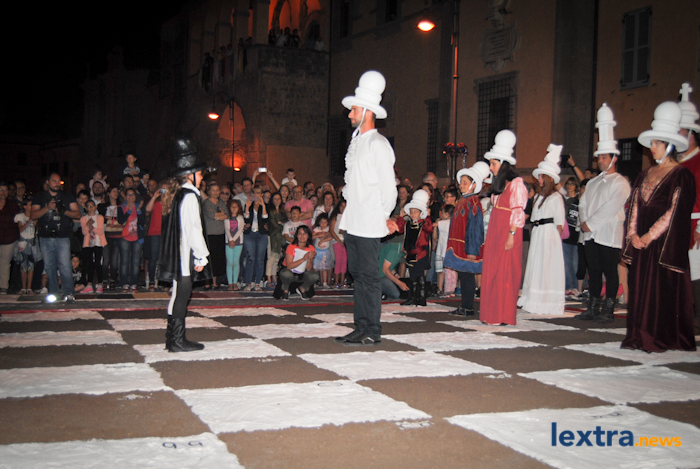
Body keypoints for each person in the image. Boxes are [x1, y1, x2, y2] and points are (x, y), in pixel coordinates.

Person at [621, 101, 696, 352]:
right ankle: (638, 334)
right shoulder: (644, 174)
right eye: (652, 143)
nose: (651, 148)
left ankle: (658, 336)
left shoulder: (681, 175)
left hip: (662, 244)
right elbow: (634, 206)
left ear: (669, 145)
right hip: (642, 242)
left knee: (659, 290)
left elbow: (676, 212)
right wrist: (633, 234)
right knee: (641, 288)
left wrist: (649, 236)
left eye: (656, 143)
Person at [335, 71, 398, 345]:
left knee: (369, 277)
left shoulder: (378, 144)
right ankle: (360, 326)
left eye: (355, 109)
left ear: (367, 112)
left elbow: (388, 187)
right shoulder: (358, 141)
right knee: (358, 276)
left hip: (370, 221)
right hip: (354, 219)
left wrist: (383, 216)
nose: (350, 114)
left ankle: (372, 329)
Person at [576, 104, 631, 322]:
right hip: (590, 234)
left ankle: (608, 310)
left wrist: (590, 223)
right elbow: (582, 203)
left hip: (608, 234)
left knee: (610, 272)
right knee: (594, 271)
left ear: (614, 158)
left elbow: (610, 207)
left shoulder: (620, 182)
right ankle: (592, 307)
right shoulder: (592, 182)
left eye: (604, 157)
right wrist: (584, 222)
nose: (600, 161)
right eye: (599, 158)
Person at [158, 133, 212, 353]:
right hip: (185, 253)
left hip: (179, 252)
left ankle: (174, 338)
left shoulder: (180, 194)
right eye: (199, 173)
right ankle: (177, 340)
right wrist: (201, 255)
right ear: (190, 175)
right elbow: (193, 228)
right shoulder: (189, 196)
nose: (201, 177)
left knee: (178, 293)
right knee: (182, 293)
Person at [480, 130, 528, 325]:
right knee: (493, 270)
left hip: (508, 231)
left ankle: (503, 314)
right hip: (495, 231)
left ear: (502, 164)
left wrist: (511, 235)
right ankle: (491, 313)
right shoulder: (500, 186)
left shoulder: (517, 184)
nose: (491, 168)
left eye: (493, 164)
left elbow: (518, 211)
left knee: (505, 271)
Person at [518, 145, 566, 316]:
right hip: (537, 233)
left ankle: (547, 301)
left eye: (541, 176)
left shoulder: (556, 197)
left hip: (548, 234)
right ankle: (532, 299)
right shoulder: (538, 197)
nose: (538, 178)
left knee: (546, 266)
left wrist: (552, 242)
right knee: (535, 265)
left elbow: (559, 223)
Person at [444, 162, 490, 316]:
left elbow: (475, 228)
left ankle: (468, 307)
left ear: (473, 185)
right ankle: (465, 305)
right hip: (459, 246)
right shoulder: (462, 201)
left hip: (467, 247)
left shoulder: (473, 202)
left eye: (465, 182)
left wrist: (472, 250)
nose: (462, 185)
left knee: (467, 276)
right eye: (461, 182)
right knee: (463, 276)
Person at [31, 173, 80, 302]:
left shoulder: (67, 196)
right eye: (54, 181)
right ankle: (54, 293)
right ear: (48, 182)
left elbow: (77, 214)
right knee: (49, 266)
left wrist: (64, 212)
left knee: (65, 265)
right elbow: (33, 215)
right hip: (45, 237)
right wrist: (48, 207)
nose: (57, 184)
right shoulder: (40, 196)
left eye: (59, 181)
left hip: (62, 236)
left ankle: (69, 293)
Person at [678, 83, 700, 335]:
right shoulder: (677, 164)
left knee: (696, 273)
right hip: (679, 225)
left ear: (691, 134)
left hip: (695, 224)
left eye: (680, 131)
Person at [276, 225, 318, 300]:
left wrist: (309, 259)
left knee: (314, 275)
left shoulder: (311, 248)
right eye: (300, 233)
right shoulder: (291, 247)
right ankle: (285, 290)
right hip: (289, 271)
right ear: (296, 235)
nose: (302, 236)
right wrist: (303, 259)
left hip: (302, 272)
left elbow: (309, 269)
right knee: (286, 273)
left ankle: (302, 288)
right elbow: (289, 266)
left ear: (308, 236)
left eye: (305, 234)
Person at [117, 188, 146, 293]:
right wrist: (129, 211)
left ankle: (133, 284)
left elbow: (142, 221)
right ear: (125, 196)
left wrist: (138, 210)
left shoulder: (139, 206)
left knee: (136, 262)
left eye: (132, 194)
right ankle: (124, 283)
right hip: (124, 237)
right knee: (124, 261)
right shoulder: (121, 207)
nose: (130, 197)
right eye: (128, 195)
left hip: (137, 238)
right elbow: (121, 220)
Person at [201, 181, 228, 289]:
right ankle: (206, 282)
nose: (215, 192)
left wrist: (217, 215)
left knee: (218, 259)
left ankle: (215, 282)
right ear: (209, 191)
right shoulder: (206, 203)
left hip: (220, 233)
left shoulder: (221, 202)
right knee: (209, 259)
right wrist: (219, 215)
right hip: (209, 234)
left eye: (217, 190)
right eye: (213, 190)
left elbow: (226, 215)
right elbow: (210, 215)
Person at [242, 185, 269, 291]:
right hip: (250, 234)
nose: (256, 195)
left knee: (260, 259)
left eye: (258, 193)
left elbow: (265, 218)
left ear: (261, 194)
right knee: (250, 259)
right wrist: (247, 207)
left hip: (261, 234)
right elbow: (246, 218)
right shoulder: (248, 204)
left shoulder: (264, 205)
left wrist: (263, 205)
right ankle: (249, 283)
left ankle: (257, 283)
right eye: (254, 193)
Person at [80, 200, 106, 293]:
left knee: (98, 263)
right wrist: (88, 225)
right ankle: (89, 284)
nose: (91, 208)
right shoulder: (83, 219)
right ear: (86, 208)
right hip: (88, 244)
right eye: (89, 206)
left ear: (95, 207)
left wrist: (92, 227)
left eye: (92, 206)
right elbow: (84, 232)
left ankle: (100, 283)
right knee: (89, 263)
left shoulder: (99, 217)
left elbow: (100, 231)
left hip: (98, 243)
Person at [144, 181, 166, 291]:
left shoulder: (171, 204)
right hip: (154, 233)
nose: (165, 192)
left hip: (166, 233)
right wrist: (154, 196)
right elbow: (147, 209)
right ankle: (152, 281)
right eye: (163, 189)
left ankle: (165, 282)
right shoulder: (156, 202)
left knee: (165, 258)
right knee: (153, 258)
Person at [13, 198, 38, 295]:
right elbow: (21, 229)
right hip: (23, 242)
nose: (32, 206)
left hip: (32, 242)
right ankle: (23, 288)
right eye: (30, 205)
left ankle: (29, 288)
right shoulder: (20, 216)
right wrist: (29, 221)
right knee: (23, 266)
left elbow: (35, 228)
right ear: (25, 206)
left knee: (31, 266)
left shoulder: (35, 215)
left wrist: (33, 219)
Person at [562, 177, 581, 298]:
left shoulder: (579, 200)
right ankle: (569, 286)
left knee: (575, 263)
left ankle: (575, 287)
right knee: (566, 262)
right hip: (565, 232)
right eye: (568, 183)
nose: (570, 186)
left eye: (572, 184)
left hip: (576, 233)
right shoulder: (562, 199)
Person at [0, 181, 20, 294]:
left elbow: (18, 219)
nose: (3, 192)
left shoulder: (12, 204)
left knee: (5, 262)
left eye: (5, 190)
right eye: (1, 190)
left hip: (9, 237)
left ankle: (3, 287)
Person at [100, 186, 123, 289]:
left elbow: (122, 220)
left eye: (117, 191)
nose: (116, 193)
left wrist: (111, 218)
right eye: (113, 191)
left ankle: (113, 279)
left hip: (117, 234)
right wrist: (108, 219)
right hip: (105, 234)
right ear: (108, 193)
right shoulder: (102, 206)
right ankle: (104, 279)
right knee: (106, 259)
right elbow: (100, 219)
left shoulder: (120, 207)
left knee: (114, 259)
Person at [265, 192, 287, 290]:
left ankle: (274, 277)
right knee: (271, 258)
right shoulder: (270, 211)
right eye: (275, 199)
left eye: (279, 198)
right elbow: (274, 224)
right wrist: (281, 224)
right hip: (272, 237)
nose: (277, 201)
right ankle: (269, 279)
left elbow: (286, 222)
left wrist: (281, 223)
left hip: (280, 237)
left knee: (276, 259)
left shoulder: (282, 211)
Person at [224, 199, 244, 291]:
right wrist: (230, 240)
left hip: (238, 242)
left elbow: (240, 230)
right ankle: (230, 283)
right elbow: (227, 229)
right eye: (232, 207)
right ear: (229, 208)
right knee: (230, 262)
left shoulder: (240, 218)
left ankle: (235, 282)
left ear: (238, 208)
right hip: (228, 242)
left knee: (235, 262)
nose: (234, 208)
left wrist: (234, 239)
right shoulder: (226, 218)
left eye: (236, 207)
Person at [329, 199, 348, 288]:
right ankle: (336, 281)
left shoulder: (349, 217)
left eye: (345, 206)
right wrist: (339, 241)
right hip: (337, 241)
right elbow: (331, 230)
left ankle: (342, 281)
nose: (343, 208)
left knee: (345, 261)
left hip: (346, 241)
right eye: (341, 206)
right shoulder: (335, 216)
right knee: (338, 260)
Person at [312, 213, 333, 288]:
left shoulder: (328, 229)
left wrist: (323, 240)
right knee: (315, 267)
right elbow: (312, 237)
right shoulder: (316, 229)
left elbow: (331, 237)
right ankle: (314, 282)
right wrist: (319, 235)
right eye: (321, 222)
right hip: (317, 251)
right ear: (318, 222)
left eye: (325, 222)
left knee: (324, 268)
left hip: (325, 251)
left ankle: (325, 282)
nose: (323, 224)